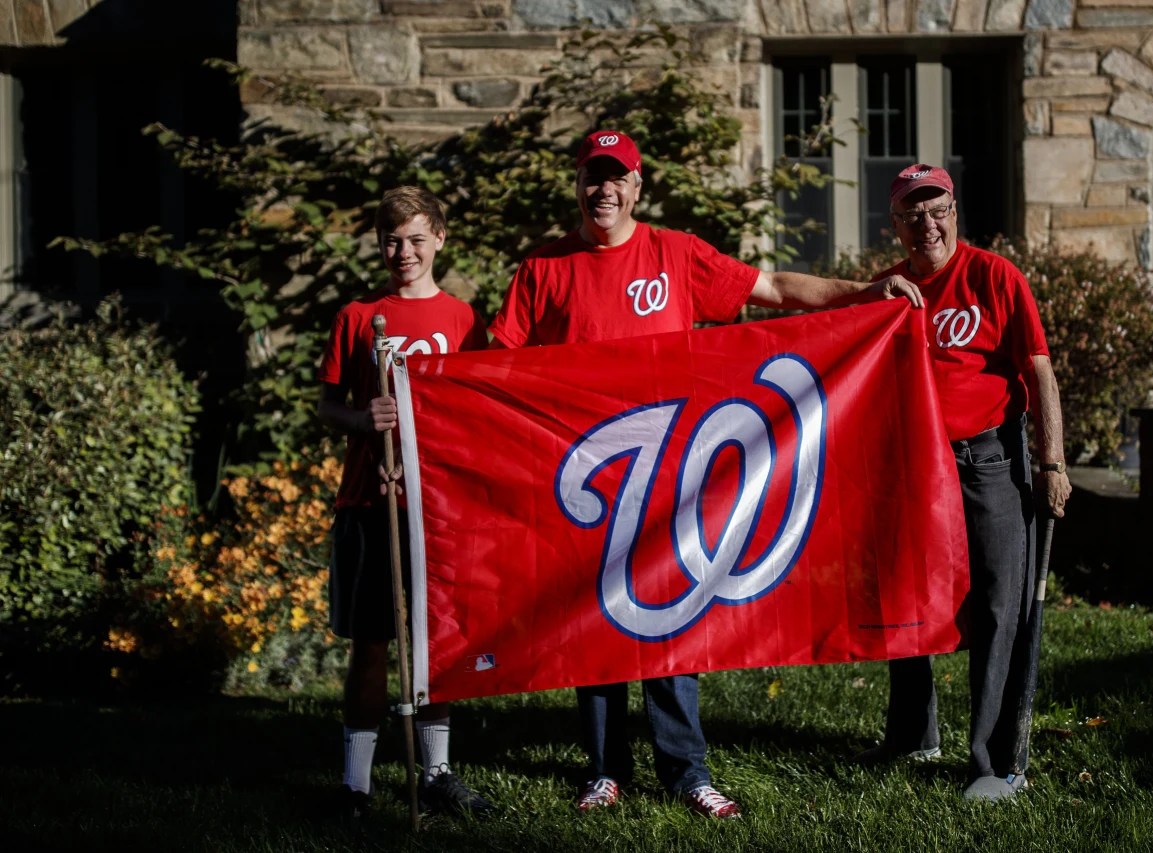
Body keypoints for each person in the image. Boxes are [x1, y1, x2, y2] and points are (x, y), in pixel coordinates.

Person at [488, 129, 922, 819]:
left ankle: (686, 769)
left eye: (617, 178)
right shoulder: (544, 269)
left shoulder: (675, 254)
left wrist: (865, 292)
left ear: (636, 187)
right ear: (578, 185)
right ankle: (604, 769)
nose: (604, 190)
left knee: (671, 621)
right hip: (587, 480)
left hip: (670, 473)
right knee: (595, 622)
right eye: (592, 177)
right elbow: (494, 366)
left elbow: (774, 286)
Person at [851, 164, 1072, 801]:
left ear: (955, 211)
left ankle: (998, 763)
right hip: (911, 467)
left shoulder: (994, 276)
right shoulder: (886, 293)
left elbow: (1038, 371)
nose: (927, 223)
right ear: (894, 226)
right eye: (912, 214)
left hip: (989, 463)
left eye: (937, 209)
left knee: (1002, 607)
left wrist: (1051, 463)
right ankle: (913, 733)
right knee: (904, 598)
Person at [319, 186, 492, 821]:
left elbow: (478, 408)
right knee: (371, 642)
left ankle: (439, 773)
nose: (404, 251)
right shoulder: (359, 317)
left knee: (436, 640)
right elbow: (326, 406)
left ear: (440, 239)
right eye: (393, 240)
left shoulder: (463, 319)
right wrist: (364, 419)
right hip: (370, 497)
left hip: (436, 503)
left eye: (417, 238)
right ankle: (356, 786)